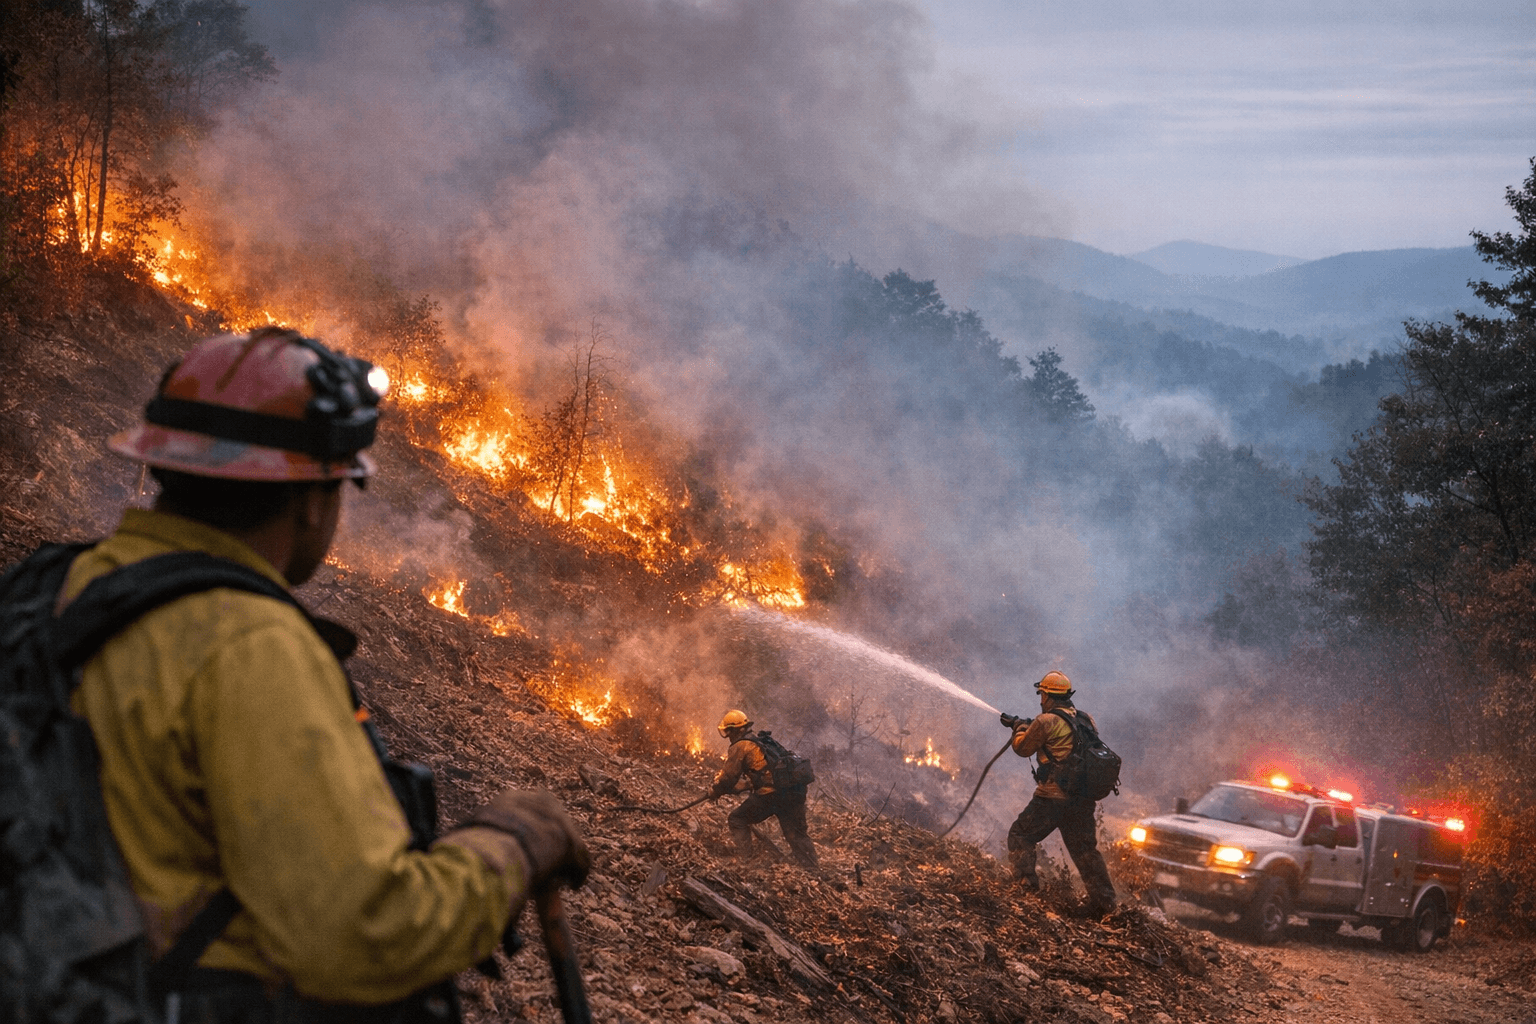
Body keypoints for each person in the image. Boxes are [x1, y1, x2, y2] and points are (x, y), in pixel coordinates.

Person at [65, 327, 589, 1019]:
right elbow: (368, 932)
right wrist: (515, 845)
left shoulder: (61, 587)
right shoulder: (247, 644)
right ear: (314, 500)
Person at [1003, 671, 1117, 917]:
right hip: (1082, 799)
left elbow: (1022, 748)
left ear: (1047, 695)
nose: (1040, 699)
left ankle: (1026, 893)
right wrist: (1028, 725)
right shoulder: (1086, 719)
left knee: (1021, 835)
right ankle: (1105, 905)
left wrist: (1019, 728)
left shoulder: (1045, 721)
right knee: (1085, 851)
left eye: (1041, 694)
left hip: (1053, 797)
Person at [707, 709, 818, 868]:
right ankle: (813, 870)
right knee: (797, 835)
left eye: (729, 731)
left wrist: (715, 790)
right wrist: (745, 786)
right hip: (792, 792)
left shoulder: (741, 746)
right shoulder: (762, 742)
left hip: (771, 796)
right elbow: (764, 773)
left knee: (737, 819)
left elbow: (728, 778)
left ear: (737, 730)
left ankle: (746, 860)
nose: (728, 736)